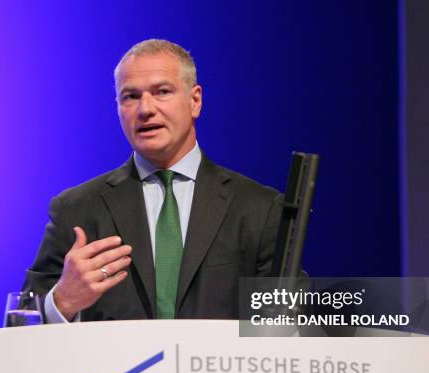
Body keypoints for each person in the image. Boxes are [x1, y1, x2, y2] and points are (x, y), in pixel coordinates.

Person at [22, 39, 281, 323]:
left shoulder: (259, 208)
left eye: (162, 92)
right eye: (130, 97)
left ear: (195, 101)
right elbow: (20, 327)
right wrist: (63, 300)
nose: (145, 109)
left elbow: (295, 329)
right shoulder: (75, 210)